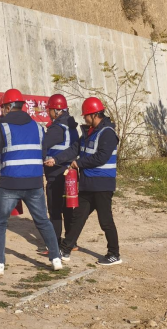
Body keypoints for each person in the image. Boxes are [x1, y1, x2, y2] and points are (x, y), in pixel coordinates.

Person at [0, 88, 62, 275]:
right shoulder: (38, 127)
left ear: (8, 107)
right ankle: (56, 258)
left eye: (2, 108)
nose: (2, 112)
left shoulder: (4, 126)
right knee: (42, 220)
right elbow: (42, 152)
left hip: (11, 184)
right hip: (35, 182)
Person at [44, 97, 122, 266]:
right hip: (88, 183)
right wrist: (56, 160)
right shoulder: (88, 132)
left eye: (86, 115)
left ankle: (114, 253)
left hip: (102, 184)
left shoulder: (107, 133)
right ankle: (65, 249)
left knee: (105, 220)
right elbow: (74, 149)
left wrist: (79, 163)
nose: (84, 118)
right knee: (78, 217)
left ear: (94, 115)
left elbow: (102, 157)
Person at [42, 94, 79, 249]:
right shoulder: (71, 127)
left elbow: (42, 146)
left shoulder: (57, 128)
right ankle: (71, 242)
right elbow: (73, 149)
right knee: (68, 207)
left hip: (56, 174)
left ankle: (55, 243)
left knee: (55, 209)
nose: (48, 112)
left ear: (56, 110)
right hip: (69, 173)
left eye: (49, 109)